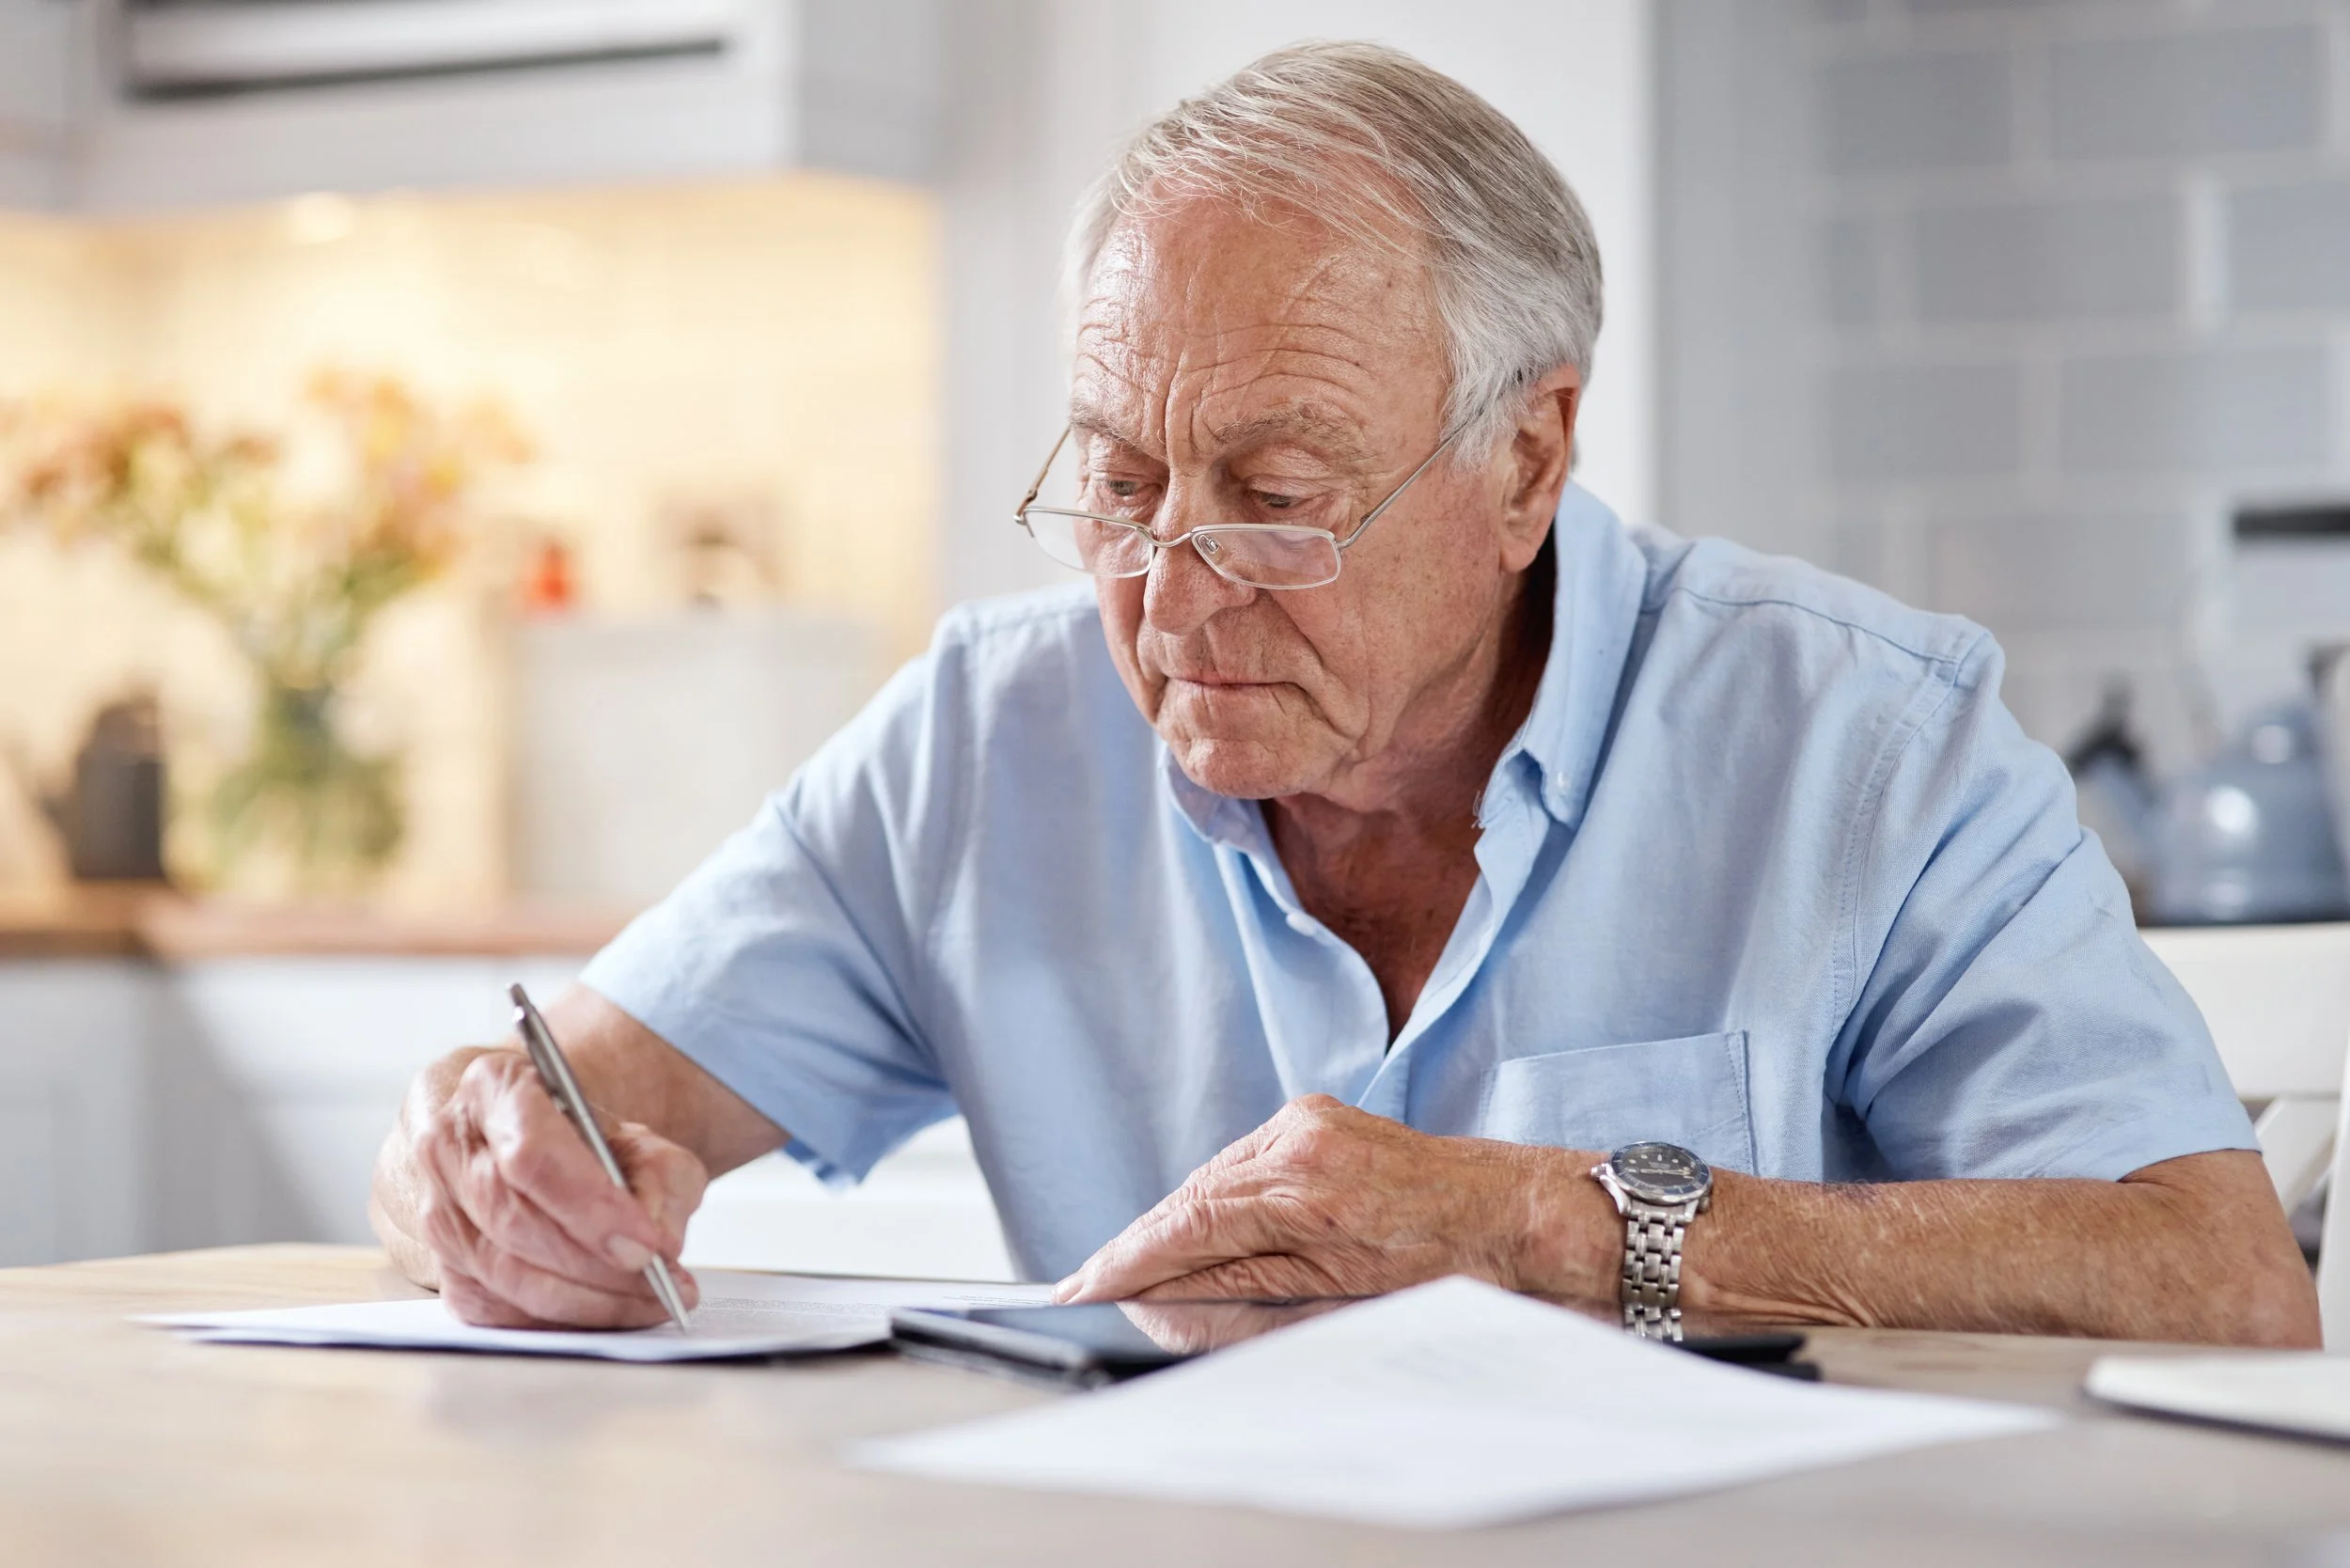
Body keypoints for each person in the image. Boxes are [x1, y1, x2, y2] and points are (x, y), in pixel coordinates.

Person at [371, 41, 2319, 1346]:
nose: (1165, 586)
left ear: (1526, 462)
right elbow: (568, 1102)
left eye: (1274, 498)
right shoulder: (984, 742)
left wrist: (1561, 1229)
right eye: (1116, 485)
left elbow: (2220, 1283)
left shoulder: (1863, 749)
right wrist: (481, 1169)